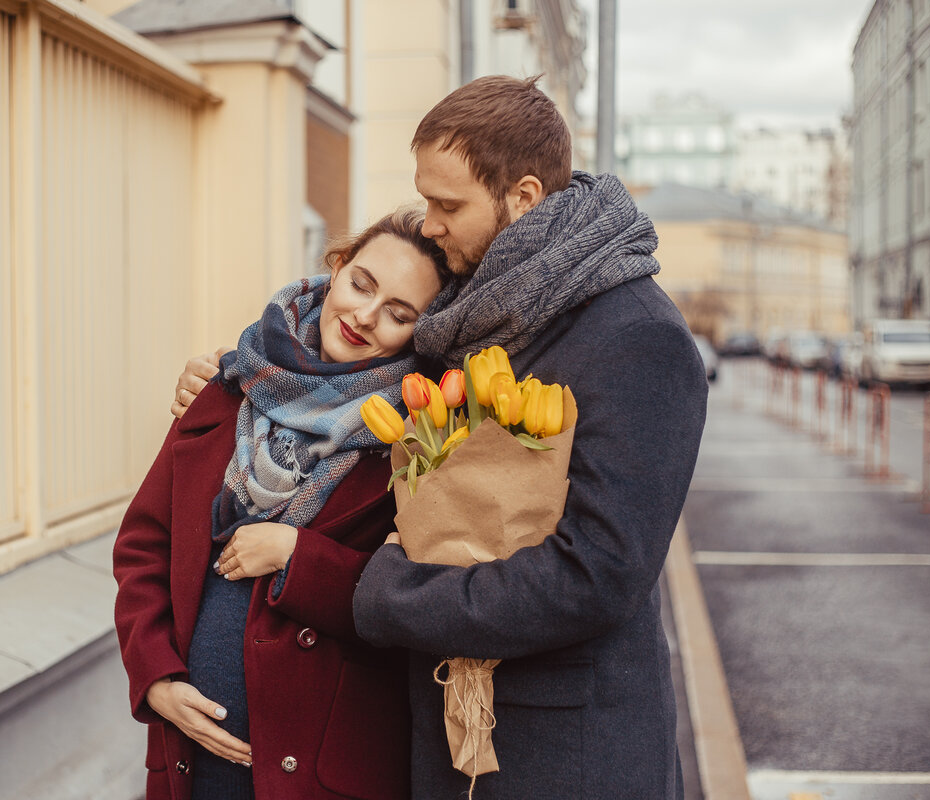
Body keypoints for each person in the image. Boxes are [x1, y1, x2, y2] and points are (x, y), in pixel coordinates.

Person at [173, 75, 708, 799]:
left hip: (563, 756)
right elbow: (348, 365)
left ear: (522, 199)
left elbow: (596, 574)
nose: (427, 223)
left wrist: (380, 594)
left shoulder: (638, 337)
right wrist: (241, 376)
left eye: (447, 205)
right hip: (436, 741)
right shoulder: (470, 306)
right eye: (425, 198)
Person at [114, 207, 450, 800]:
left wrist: (299, 557)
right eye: (362, 285)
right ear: (338, 266)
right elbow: (145, 547)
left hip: (322, 767)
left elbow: (418, 599)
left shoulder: (420, 434)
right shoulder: (229, 384)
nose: (364, 317)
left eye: (399, 314)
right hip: (191, 754)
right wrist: (156, 677)